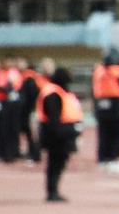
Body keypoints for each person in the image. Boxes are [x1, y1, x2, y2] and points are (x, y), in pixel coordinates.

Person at [32, 61, 84, 203]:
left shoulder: (58, 91)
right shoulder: (53, 93)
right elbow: (54, 117)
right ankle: (52, 191)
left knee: (57, 163)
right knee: (55, 163)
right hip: (57, 135)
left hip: (61, 132)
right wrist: (63, 134)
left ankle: (53, 190)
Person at [90, 49, 119, 171]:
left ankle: (103, 158)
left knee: (103, 134)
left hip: (101, 107)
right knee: (118, 134)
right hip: (118, 107)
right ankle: (115, 158)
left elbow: (93, 91)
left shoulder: (98, 72)